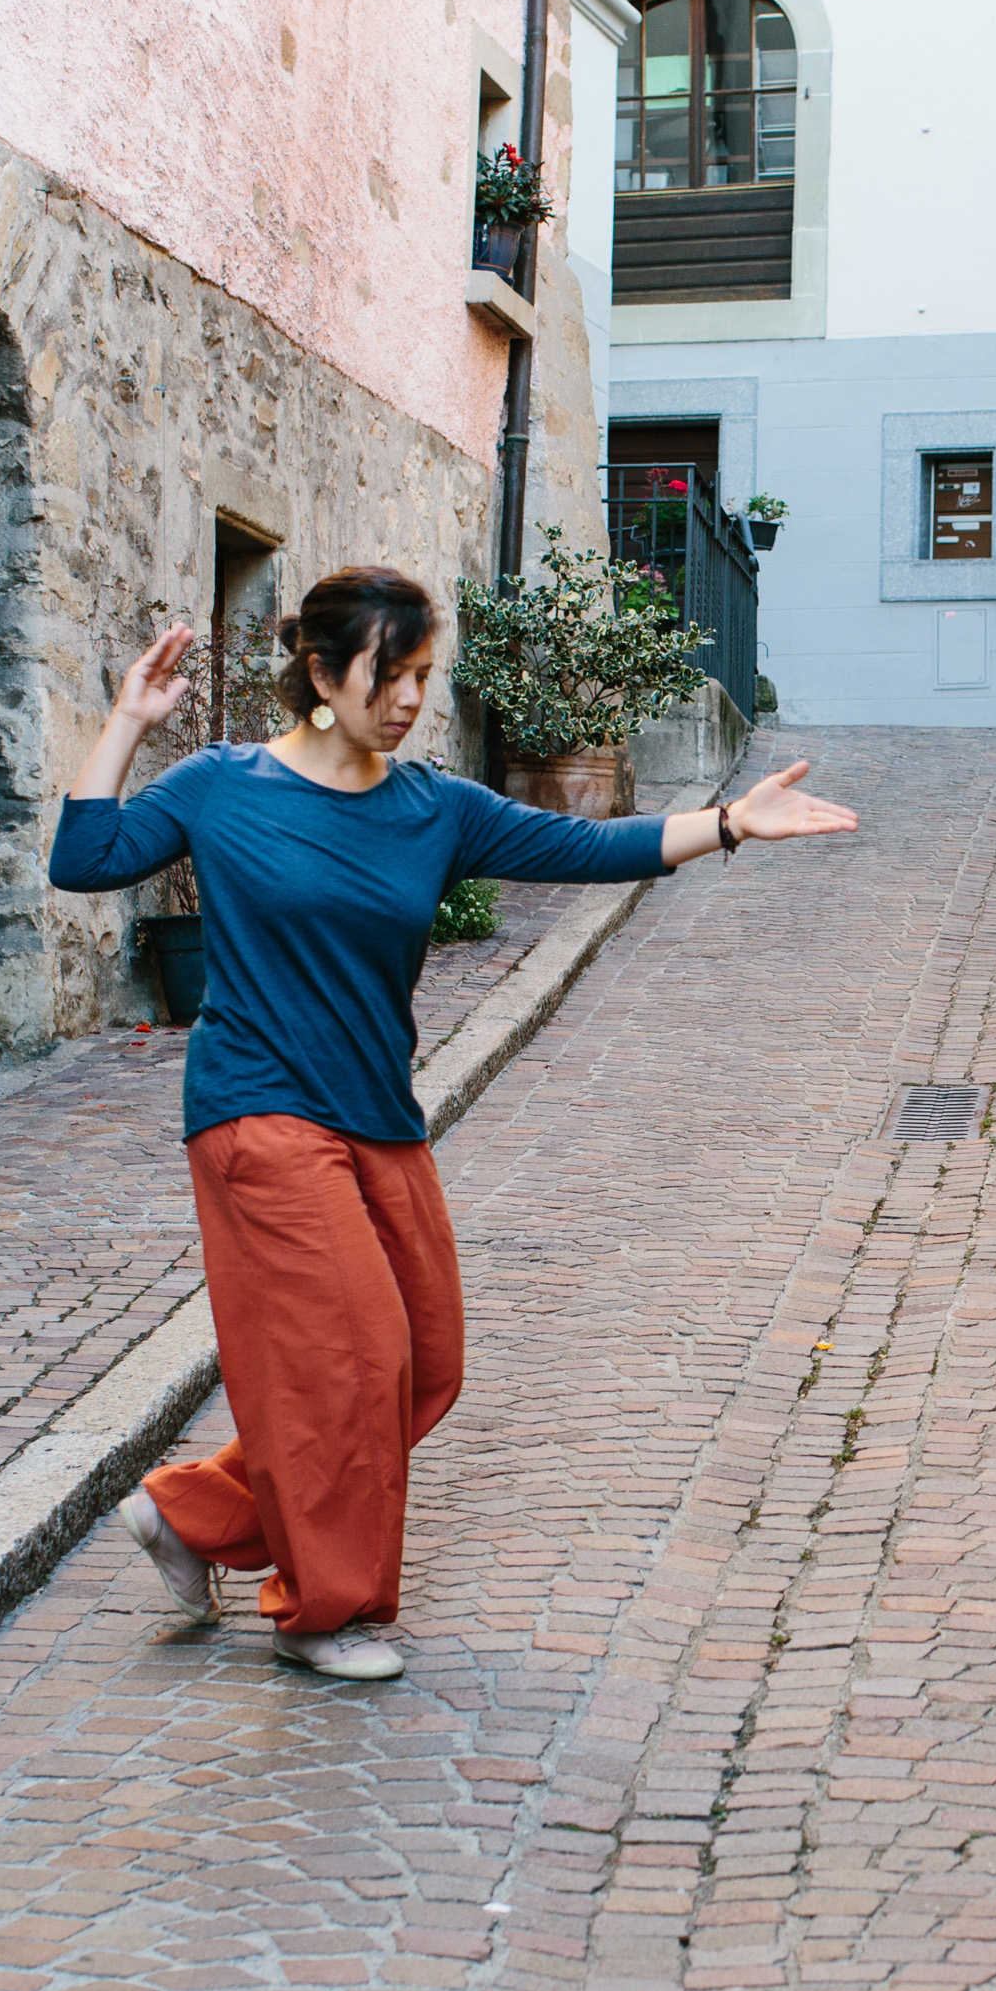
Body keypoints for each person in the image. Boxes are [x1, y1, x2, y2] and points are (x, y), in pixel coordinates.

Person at [49, 564, 855, 1680]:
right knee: (353, 1357)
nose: (408, 698)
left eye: (422, 675)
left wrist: (726, 823)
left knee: (424, 1362)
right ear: (321, 673)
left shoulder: (433, 808)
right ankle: (323, 1611)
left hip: (378, 1113)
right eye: (388, 673)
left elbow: (585, 849)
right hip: (257, 1111)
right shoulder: (221, 787)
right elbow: (83, 859)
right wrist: (128, 724)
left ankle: (193, 1511)